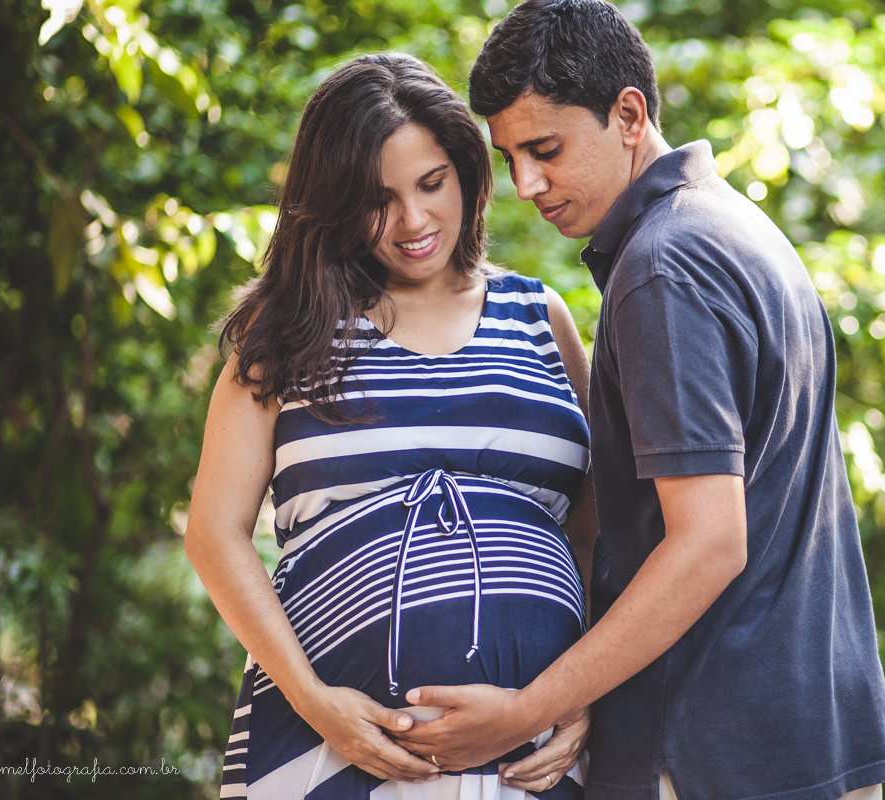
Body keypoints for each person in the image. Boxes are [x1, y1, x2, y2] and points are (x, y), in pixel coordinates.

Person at [390, 3, 885, 800]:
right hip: (808, 745)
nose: (526, 184)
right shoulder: (737, 227)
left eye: (546, 149)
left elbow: (707, 544)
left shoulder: (664, 267)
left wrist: (528, 708)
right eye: (511, 156)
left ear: (629, 113)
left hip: (707, 756)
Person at [184, 52, 596, 800]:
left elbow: (602, 524)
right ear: (335, 202)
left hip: (531, 756)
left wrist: (583, 694)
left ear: (469, 172)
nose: (413, 221)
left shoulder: (541, 318)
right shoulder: (285, 334)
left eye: (432, 184)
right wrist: (318, 704)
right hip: (330, 746)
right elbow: (213, 532)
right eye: (378, 199)